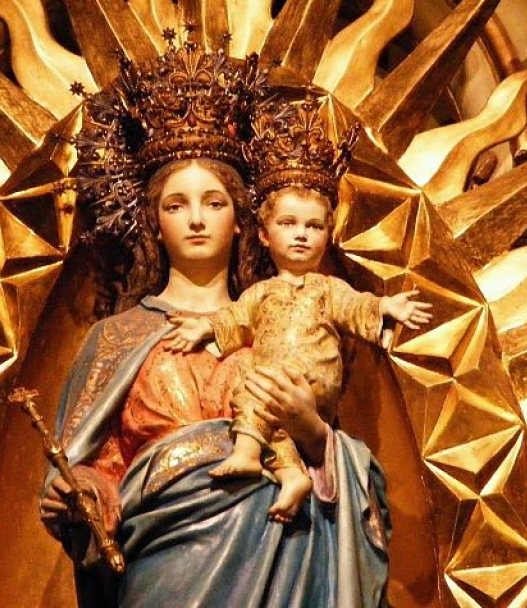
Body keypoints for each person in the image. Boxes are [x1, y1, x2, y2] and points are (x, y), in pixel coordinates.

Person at [40, 156, 392, 607]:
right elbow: (94, 464)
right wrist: (78, 492)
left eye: (214, 203)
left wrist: (313, 430)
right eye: (176, 206)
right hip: (164, 564)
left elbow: (353, 487)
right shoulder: (116, 338)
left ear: (243, 222)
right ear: (155, 224)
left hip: (281, 550)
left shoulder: (282, 325)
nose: (196, 219)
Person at [161, 183, 432, 523]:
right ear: (264, 235)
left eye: (314, 226)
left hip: (314, 380)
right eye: (288, 223)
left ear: (327, 237)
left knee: (253, 388)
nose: (301, 235)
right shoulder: (260, 293)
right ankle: (291, 475)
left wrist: (386, 306)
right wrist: (204, 326)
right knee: (258, 400)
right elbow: (234, 319)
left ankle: (247, 452)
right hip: (272, 383)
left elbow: (357, 306)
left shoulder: (327, 288)